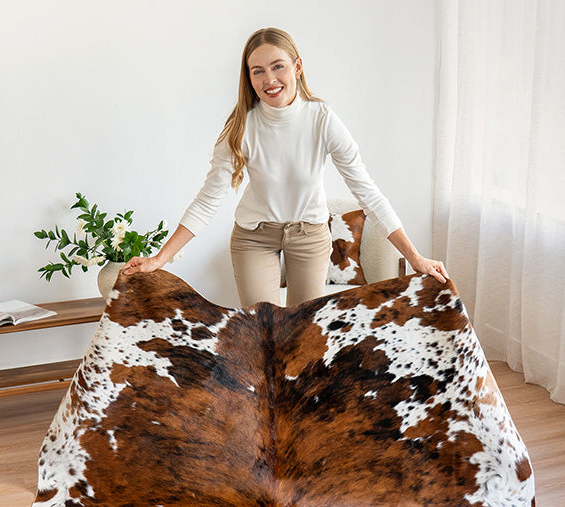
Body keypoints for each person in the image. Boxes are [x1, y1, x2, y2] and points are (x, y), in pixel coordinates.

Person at [123, 27, 448, 305]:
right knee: (265, 331)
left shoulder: (322, 120)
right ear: (248, 77)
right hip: (255, 237)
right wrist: (158, 259)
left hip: (309, 234)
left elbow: (367, 192)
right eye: (258, 71)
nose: (269, 79)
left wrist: (415, 256)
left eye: (278, 66)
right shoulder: (242, 125)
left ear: (297, 67)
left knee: (303, 334)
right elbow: (208, 200)